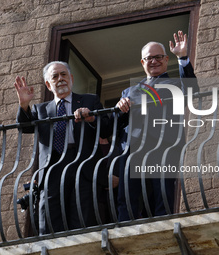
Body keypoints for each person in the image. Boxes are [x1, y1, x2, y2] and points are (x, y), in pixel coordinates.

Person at [14, 61, 111, 234]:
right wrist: (24, 105)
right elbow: (25, 127)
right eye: (55, 76)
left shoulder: (90, 100)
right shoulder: (40, 109)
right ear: (48, 85)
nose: (60, 79)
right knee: (50, 222)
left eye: (64, 74)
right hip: (53, 168)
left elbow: (107, 128)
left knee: (83, 220)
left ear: (71, 78)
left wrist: (91, 119)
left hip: (82, 164)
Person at [115, 31, 199, 221]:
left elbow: (192, 93)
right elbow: (116, 125)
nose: (154, 61)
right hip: (133, 149)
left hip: (164, 146)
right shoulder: (129, 91)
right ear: (142, 63)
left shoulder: (176, 84)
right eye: (149, 58)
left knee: (163, 194)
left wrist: (183, 57)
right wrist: (119, 107)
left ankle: (164, 226)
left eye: (158, 57)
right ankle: (125, 230)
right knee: (128, 197)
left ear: (166, 59)